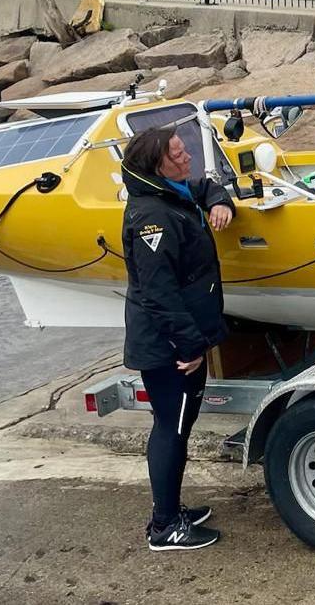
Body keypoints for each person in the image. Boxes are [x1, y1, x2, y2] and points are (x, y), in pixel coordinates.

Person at [120, 126, 235, 552]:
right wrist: (189, 346)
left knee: (179, 427)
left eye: (185, 150)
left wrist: (219, 201)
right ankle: (165, 525)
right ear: (157, 164)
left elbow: (202, 186)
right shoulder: (153, 215)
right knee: (172, 428)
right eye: (178, 154)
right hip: (169, 348)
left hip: (176, 341)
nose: (187, 158)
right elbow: (158, 292)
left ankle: (170, 509)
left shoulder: (170, 193)